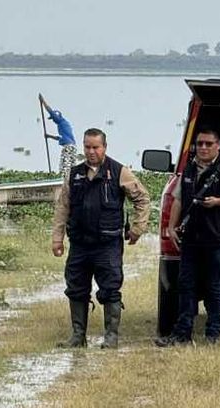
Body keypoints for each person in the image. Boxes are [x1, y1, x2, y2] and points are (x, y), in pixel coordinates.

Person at [51, 128, 151, 349]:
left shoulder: (118, 171)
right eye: (87, 147)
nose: (91, 151)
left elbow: (142, 198)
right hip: (79, 244)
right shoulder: (74, 174)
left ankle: (111, 337)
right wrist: (57, 238)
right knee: (76, 288)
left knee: (110, 289)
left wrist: (137, 228)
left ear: (104, 147)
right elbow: (62, 208)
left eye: (96, 147)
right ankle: (78, 336)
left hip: (107, 244)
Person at [156, 127, 220, 346]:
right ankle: (182, 335)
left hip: (217, 238)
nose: (203, 148)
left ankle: (213, 335)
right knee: (185, 285)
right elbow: (177, 199)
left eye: (208, 144)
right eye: (200, 144)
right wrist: (171, 227)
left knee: (214, 287)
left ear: (218, 146)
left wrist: (218, 202)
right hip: (191, 238)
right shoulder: (188, 169)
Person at [40, 94, 77, 182]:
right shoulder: (64, 125)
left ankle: (65, 184)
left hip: (68, 147)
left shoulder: (61, 122)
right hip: (72, 147)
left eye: (53, 118)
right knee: (71, 169)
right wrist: (49, 136)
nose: (53, 120)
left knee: (64, 169)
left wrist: (43, 101)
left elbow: (50, 111)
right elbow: (59, 138)